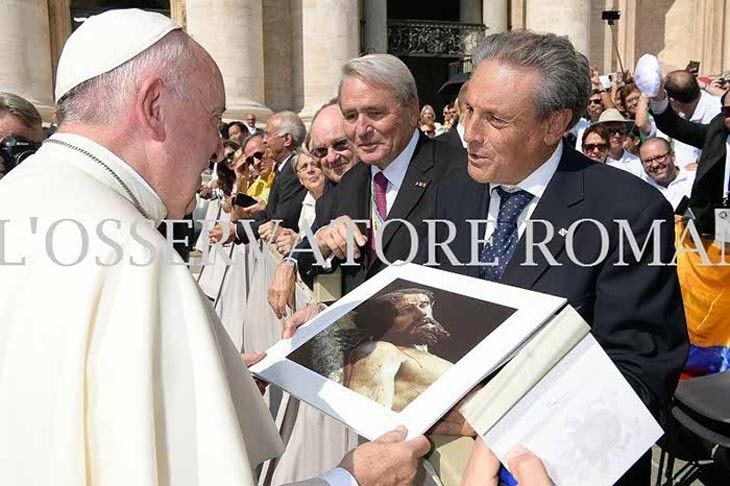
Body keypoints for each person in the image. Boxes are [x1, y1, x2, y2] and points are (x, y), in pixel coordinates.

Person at [0, 9, 431, 486]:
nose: (218, 147)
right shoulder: (135, 257)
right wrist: (350, 480)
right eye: (212, 118)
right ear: (154, 105)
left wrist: (214, 383)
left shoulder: (21, 194)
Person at [427, 30, 687, 485]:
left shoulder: (631, 213)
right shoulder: (454, 190)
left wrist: (497, 417)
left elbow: (639, 377)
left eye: (495, 119)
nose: (469, 133)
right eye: (469, 110)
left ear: (553, 125)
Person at [267, 53, 458, 318]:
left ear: (412, 110)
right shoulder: (351, 183)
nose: (361, 129)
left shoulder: (457, 173)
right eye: (351, 116)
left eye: (375, 113)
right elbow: (312, 256)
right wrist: (304, 257)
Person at [342, 289, 453, 413]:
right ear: (383, 324)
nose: (422, 313)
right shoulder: (380, 350)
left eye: (424, 304)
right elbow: (367, 416)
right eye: (405, 311)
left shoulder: (430, 356)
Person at [274, 150, 326, 255]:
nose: (310, 170)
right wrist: (294, 237)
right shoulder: (305, 202)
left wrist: (298, 244)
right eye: (304, 167)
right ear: (300, 180)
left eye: (314, 165)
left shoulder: (336, 198)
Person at [638, 137, 693, 210]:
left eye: (659, 157)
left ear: (672, 156)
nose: (655, 164)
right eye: (648, 161)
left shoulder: (694, 179)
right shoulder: (641, 189)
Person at [594, 108, 645, 178]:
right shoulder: (594, 161)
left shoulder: (637, 163)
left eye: (621, 131)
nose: (617, 135)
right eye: (611, 131)